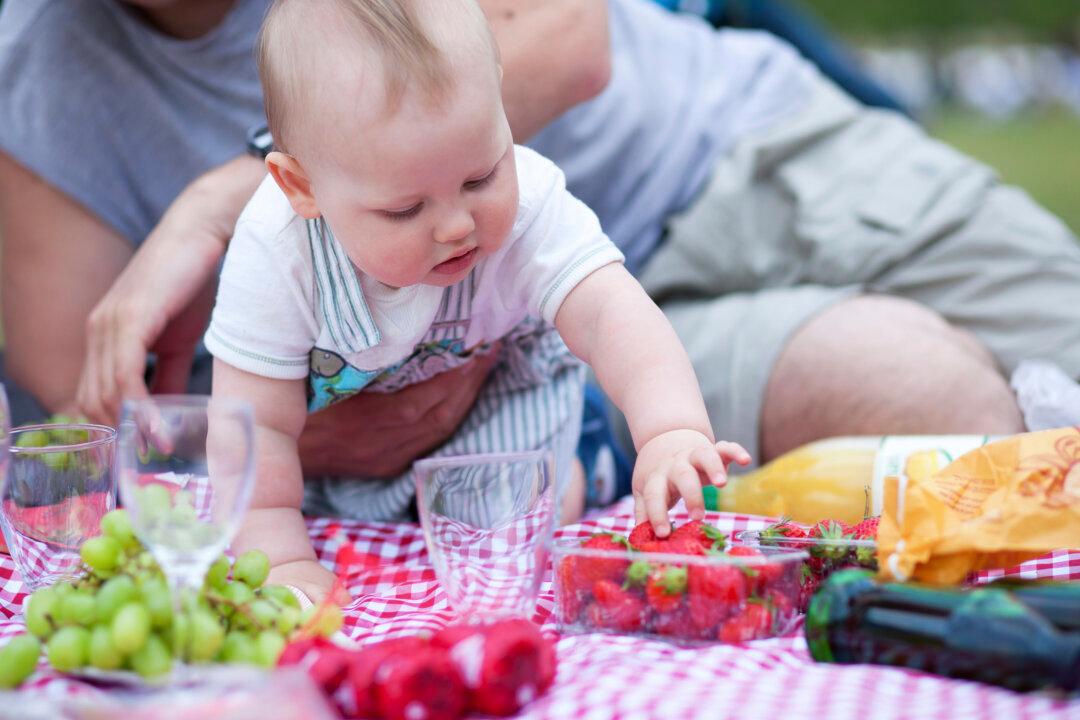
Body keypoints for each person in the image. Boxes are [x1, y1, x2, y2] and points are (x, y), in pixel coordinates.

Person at [3, 1, 1078, 513]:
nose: (453, 209)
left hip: (729, 164)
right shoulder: (43, 73)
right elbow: (110, 409)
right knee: (931, 399)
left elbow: (574, 36)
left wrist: (224, 201)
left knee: (1062, 347)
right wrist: (312, 441)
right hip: (521, 352)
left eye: (474, 176)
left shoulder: (504, 202)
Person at [212, 0, 749, 600]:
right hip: (339, 473)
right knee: (290, 508)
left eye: (480, 177)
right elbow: (251, 428)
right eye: (404, 210)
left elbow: (609, 313)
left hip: (505, 423)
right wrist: (281, 560)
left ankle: (588, 463)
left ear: (499, 103)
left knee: (522, 530)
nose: (455, 226)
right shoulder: (278, 251)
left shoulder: (530, 203)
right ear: (301, 186)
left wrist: (669, 427)